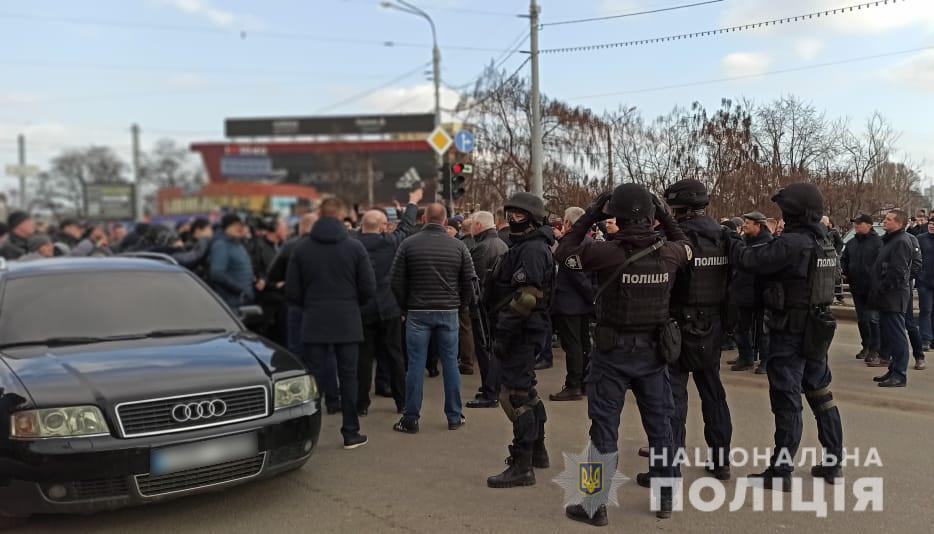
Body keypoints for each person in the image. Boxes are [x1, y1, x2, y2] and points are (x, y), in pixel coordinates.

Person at [555, 184, 686, 524]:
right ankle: (665, 498)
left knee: (603, 427)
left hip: (612, 352)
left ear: (618, 216)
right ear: (650, 216)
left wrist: (591, 214)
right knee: (661, 428)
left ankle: (593, 504)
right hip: (653, 353)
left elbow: (564, 250)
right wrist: (665, 215)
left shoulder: (606, 253)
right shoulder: (669, 253)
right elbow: (688, 245)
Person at [731, 183, 843, 489]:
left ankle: (780, 473)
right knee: (821, 394)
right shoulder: (825, 242)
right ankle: (834, 463)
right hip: (817, 328)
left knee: (786, 399)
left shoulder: (795, 242)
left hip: (791, 330)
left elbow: (751, 261)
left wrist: (734, 241)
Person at [644, 178, 733, 484]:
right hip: (713, 324)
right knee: (714, 394)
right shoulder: (723, 235)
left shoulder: (673, 240)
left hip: (679, 325)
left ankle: (672, 467)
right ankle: (721, 461)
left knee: (673, 397)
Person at [286, 197, 375, 450]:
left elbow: (292, 292)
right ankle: (350, 431)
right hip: (347, 320)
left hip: (314, 320)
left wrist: (311, 304)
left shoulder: (302, 249)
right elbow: (368, 287)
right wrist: (351, 304)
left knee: (313, 378)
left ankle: (307, 433)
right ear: (341, 217)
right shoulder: (355, 247)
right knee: (349, 377)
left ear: (319, 215)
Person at [484, 192, 555, 489]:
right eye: (510, 213)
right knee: (526, 390)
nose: (512, 219)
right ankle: (538, 450)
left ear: (533, 218)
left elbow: (526, 297)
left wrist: (503, 333)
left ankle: (523, 464)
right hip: (524, 329)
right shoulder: (526, 246)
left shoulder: (533, 250)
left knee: (515, 396)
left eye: (519, 215)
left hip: (521, 331)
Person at [390, 203, 475, 434]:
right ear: (445, 220)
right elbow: (470, 280)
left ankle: (410, 418)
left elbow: (395, 280)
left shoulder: (408, 244)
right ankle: (455, 416)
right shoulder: (458, 246)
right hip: (448, 310)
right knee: (450, 364)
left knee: (415, 365)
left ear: (425, 217)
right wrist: (461, 304)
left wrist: (405, 305)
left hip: (417, 311)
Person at [355, 188, 421, 416]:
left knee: (363, 358)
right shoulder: (390, 243)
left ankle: (361, 403)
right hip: (389, 307)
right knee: (395, 355)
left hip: (362, 309)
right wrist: (412, 203)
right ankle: (401, 403)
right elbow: (406, 227)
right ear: (383, 226)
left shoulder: (352, 244)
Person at [549, 207, 595, 402]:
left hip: (571, 302)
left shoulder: (572, 244)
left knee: (574, 345)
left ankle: (574, 384)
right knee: (583, 343)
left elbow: (577, 276)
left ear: (569, 223)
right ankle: (584, 382)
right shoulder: (589, 242)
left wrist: (590, 294)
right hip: (582, 302)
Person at [465, 210, 509, 409]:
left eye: (473, 224)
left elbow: (476, 281)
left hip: (484, 307)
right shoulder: (500, 243)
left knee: (485, 349)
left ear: (479, 226)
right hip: (497, 306)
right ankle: (491, 386)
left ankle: (490, 391)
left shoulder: (482, 248)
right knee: (492, 348)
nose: (471, 227)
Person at [867, 210, 917, 386]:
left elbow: (898, 271)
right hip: (887, 295)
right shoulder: (891, 240)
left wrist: (883, 287)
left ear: (899, 223)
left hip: (893, 296)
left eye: (888, 219)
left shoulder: (902, 241)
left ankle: (900, 374)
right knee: (890, 334)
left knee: (897, 336)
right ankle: (893, 370)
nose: (884, 221)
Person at [268, 213, 318, 355]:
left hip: (294, 303)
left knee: (296, 349)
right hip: (322, 305)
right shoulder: (329, 246)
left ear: (301, 227)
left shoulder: (290, 246)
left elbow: (272, 273)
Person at [731, 211, 773, 374]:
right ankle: (746, 358)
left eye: (748, 222)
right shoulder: (743, 241)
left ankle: (765, 361)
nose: (744, 224)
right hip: (743, 292)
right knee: (742, 328)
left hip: (762, 293)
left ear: (758, 225)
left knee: (764, 331)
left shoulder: (768, 243)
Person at [841, 214, 882, 362]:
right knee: (862, 319)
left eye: (860, 223)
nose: (856, 226)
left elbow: (882, 263)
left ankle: (875, 349)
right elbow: (844, 259)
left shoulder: (878, 242)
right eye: (855, 223)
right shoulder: (852, 242)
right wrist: (845, 272)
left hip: (872, 288)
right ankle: (866, 345)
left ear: (869, 225)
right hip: (856, 286)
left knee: (873, 319)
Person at [209, 214, 256, 309]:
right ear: (226, 227)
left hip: (241, 300)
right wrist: (241, 290)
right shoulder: (221, 245)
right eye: (235, 225)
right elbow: (217, 274)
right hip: (231, 303)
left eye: (240, 225)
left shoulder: (237, 243)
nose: (239, 228)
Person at [916, 219, 934, 353]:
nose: (932, 226)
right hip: (924, 282)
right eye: (931, 224)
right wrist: (918, 275)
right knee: (926, 309)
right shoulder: (920, 239)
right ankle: (925, 339)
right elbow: (914, 258)